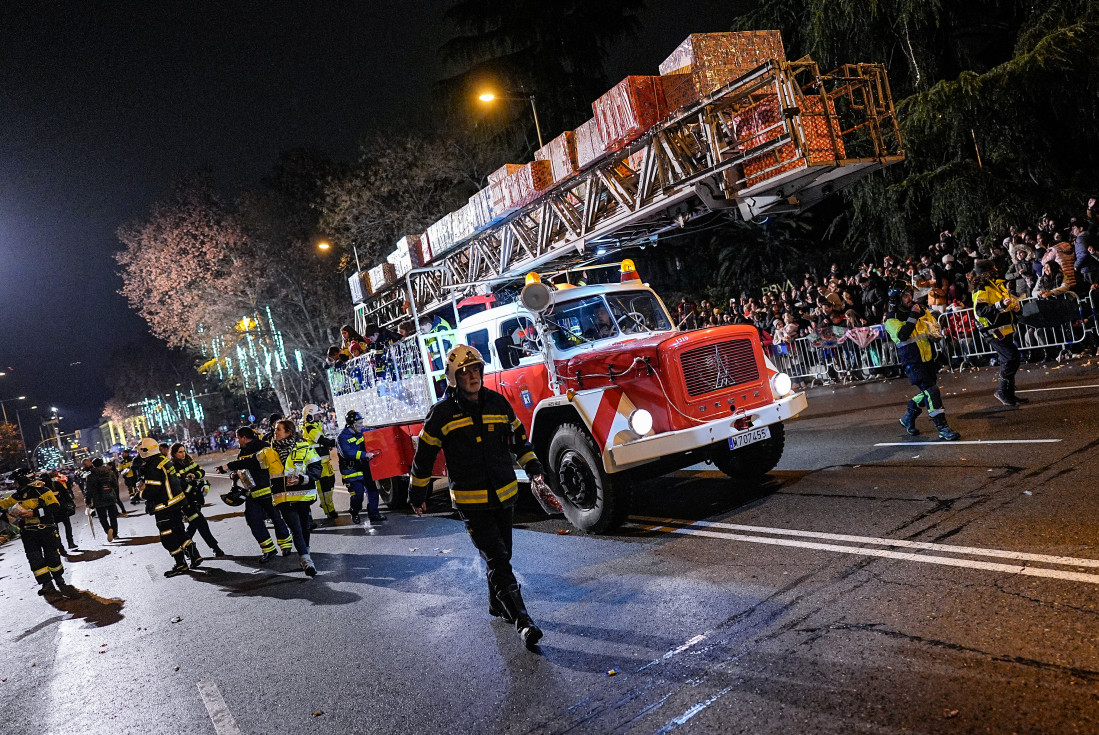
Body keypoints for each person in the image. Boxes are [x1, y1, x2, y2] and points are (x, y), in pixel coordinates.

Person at [407, 344, 548, 649]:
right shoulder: (442, 413)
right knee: (497, 558)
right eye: (464, 372)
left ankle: (498, 604)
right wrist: (418, 494)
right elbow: (424, 457)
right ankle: (523, 622)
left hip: (504, 495)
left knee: (501, 556)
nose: (472, 376)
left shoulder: (498, 403)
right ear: (453, 378)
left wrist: (535, 470)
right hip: (472, 502)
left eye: (476, 370)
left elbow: (519, 441)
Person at [884, 282, 961, 440]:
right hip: (912, 361)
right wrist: (913, 316)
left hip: (928, 357)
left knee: (927, 391)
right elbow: (903, 335)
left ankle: (908, 418)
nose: (909, 298)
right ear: (897, 299)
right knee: (931, 391)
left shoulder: (921, 309)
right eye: (905, 295)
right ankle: (942, 427)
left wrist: (935, 334)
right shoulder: (891, 319)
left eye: (910, 294)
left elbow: (931, 326)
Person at [0, 468, 78, 597]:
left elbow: (54, 506)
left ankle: (59, 579)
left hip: (46, 529)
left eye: (17, 482)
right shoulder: (18, 495)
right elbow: (4, 504)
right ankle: (46, 583)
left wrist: (34, 513)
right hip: (28, 532)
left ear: (24, 480)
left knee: (52, 555)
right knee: (34, 558)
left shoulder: (43, 491)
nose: (15, 485)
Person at [219, 427, 293, 561]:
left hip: (267, 490)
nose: (237, 441)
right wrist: (234, 474)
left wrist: (227, 467)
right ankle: (268, 549)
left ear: (243, 437)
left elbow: (251, 462)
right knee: (253, 520)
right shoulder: (243, 451)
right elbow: (241, 465)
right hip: (252, 492)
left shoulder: (262, 447)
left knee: (276, 517)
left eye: (238, 438)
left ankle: (286, 545)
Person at [134, 437, 201, 576]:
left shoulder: (153, 466)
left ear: (145, 450)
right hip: (177, 503)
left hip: (164, 507)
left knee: (168, 537)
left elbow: (153, 490)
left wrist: (141, 492)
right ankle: (194, 555)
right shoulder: (164, 460)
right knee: (179, 531)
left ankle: (181, 564)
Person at [970, 260, 1029, 407]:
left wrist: (1015, 308)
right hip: (993, 331)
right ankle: (1002, 391)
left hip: (1004, 328)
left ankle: (1009, 394)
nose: (996, 270)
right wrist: (1000, 305)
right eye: (992, 269)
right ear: (985, 272)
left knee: (1010, 359)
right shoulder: (981, 288)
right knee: (1011, 358)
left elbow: (1004, 305)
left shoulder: (996, 285)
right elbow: (980, 311)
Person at [271, 420, 320, 576]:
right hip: (283, 499)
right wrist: (229, 469)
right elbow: (250, 462)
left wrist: (302, 478)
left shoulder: (305, 448)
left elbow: (316, 470)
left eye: (278, 429)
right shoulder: (269, 452)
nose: (275, 432)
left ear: (288, 433)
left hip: (303, 497)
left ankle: (305, 552)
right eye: (275, 429)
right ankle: (307, 561)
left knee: (304, 528)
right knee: (296, 529)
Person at [170, 443, 224, 557]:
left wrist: (194, 475)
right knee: (201, 523)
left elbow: (201, 471)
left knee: (194, 526)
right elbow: (179, 485)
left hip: (196, 498)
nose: (183, 453)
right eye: (180, 452)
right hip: (187, 502)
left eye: (183, 451)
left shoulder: (189, 461)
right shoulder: (173, 466)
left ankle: (187, 548)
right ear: (174, 454)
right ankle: (215, 548)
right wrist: (189, 485)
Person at [337, 410, 384, 524]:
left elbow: (371, 431)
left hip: (364, 467)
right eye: (359, 423)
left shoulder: (361, 431)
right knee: (358, 495)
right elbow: (347, 453)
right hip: (351, 470)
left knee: (372, 490)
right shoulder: (342, 437)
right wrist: (364, 455)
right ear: (352, 424)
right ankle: (354, 511)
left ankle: (374, 514)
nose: (361, 426)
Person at [300, 403, 338, 521]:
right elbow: (321, 440)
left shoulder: (315, 426)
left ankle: (326, 504)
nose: (319, 416)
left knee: (330, 482)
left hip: (324, 461)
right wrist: (335, 442)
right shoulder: (309, 428)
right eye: (316, 415)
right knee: (324, 487)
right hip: (318, 462)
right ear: (310, 415)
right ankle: (329, 510)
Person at [84, 458, 121, 541]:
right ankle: (115, 534)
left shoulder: (90, 476)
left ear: (93, 465)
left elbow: (88, 490)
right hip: (110, 496)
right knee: (113, 516)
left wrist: (88, 500)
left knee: (102, 517)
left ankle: (108, 529)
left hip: (98, 499)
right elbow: (115, 485)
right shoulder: (110, 472)